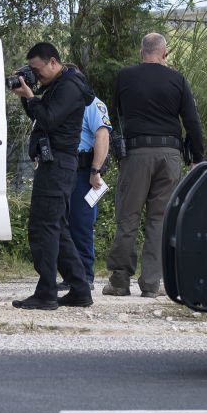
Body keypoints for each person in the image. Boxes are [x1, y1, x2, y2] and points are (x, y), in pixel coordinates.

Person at [105, 32, 203, 297]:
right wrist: (197, 158)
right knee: (159, 219)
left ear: (141, 52)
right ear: (164, 53)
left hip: (136, 153)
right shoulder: (177, 79)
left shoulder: (125, 77)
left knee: (128, 217)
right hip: (170, 155)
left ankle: (119, 281)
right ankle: (151, 283)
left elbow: (116, 113)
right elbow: (192, 122)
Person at [11, 41, 95, 310]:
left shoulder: (69, 87)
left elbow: (48, 119)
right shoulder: (56, 86)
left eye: (37, 69)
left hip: (58, 165)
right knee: (57, 229)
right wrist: (29, 96)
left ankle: (46, 293)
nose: (36, 75)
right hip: (54, 164)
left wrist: (32, 98)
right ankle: (80, 289)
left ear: (53, 62)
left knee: (43, 228)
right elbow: (40, 119)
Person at [64, 94, 112, 290]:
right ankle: (70, 274)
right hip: (63, 168)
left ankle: (84, 275)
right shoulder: (62, 99)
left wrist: (96, 170)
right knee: (62, 223)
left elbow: (102, 135)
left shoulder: (92, 103)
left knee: (81, 223)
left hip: (84, 170)